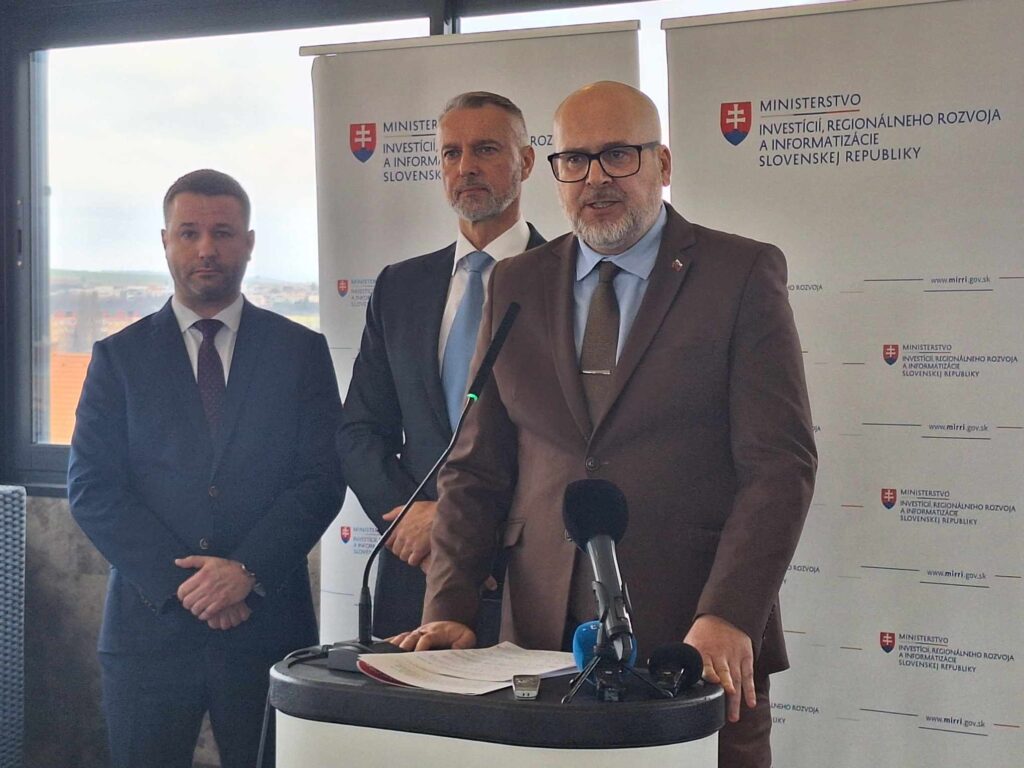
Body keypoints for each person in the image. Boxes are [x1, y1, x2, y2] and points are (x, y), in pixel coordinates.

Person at [395, 82, 817, 768]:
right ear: (554, 172)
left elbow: (779, 467)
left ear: (663, 163)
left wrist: (729, 612)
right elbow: (476, 468)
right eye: (576, 159)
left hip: (696, 643)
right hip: (537, 648)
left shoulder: (739, 273)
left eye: (619, 155)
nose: (596, 178)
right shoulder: (516, 283)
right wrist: (449, 607)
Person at [68, 169, 344, 768]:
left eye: (222, 232)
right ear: (164, 241)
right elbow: (92, 488)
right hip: (150, 634)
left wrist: (246, 570)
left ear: (249, 242)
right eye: (189, 232)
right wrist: (187, 588)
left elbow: (322, 479)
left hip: (268, 629)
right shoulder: (118, 358)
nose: (206, 249)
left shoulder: (300, 352)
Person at [337, 91, 545, 642]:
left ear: (526, 162)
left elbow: (569, 449)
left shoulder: (567, 281)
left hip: (524, 575)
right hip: (415, 573)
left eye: (486, 150)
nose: (466, 166)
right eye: (451, 153)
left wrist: (457, 523)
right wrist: (410, 516)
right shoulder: (400, 287)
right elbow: (360, 431)